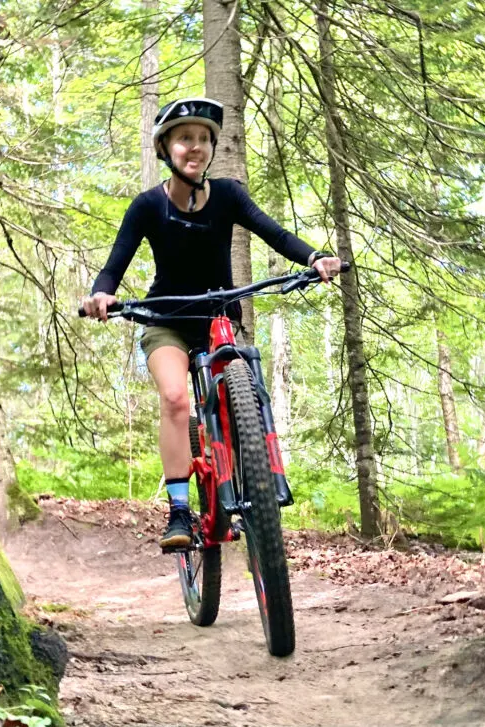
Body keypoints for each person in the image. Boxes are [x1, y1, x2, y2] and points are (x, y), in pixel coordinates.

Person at [81, 97, 343, 549]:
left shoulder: (228, 195)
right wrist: (102, 293)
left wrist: (314, 257)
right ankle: (180, 512)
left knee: (245, 391)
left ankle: (250, 486)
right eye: (185, 138)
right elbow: (114, 265)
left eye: (204, 139)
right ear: (166, 148)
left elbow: (274, 233)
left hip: (219, 319)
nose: (196, 147)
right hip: (166, 321)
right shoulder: (147, 206)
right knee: (176, 399)